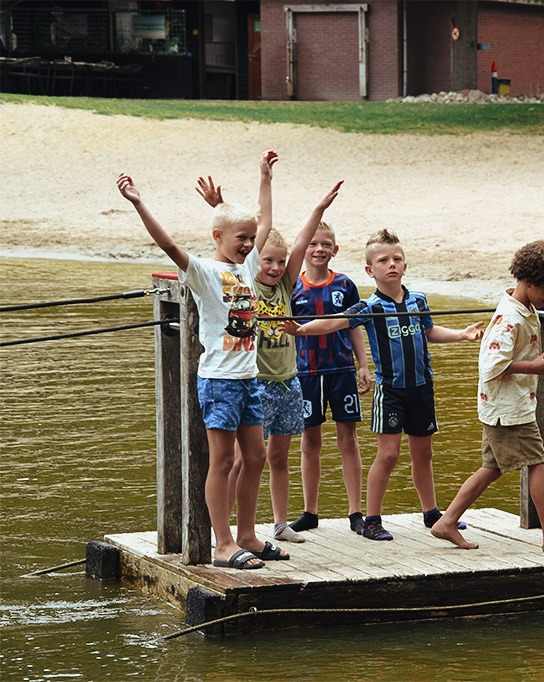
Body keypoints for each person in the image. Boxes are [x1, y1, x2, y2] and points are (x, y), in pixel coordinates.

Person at [116, 151, 288, 570]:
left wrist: (264, 176)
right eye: (240, 239)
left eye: (250, 240)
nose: (249, 245)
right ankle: (224, 543)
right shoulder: (205, 272)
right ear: (217, 237)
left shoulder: (246, 266)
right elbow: (169, 245)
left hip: (249, 377)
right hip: (219, 380)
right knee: (223, 460)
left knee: (256, 457)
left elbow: (263, 220)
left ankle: (247, 534)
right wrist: (139, 203)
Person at [281, 229, 484, 542]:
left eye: (397, 259)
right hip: (390, 391)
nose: (392, 264)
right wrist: (301, 329)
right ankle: (372, 518)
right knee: (388, 455)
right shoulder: (369, 306)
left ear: (405, 265)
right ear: (369, 270)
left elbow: (429, 331)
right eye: (383, 260)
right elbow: (335, 321)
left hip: (422, 387)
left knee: (423, 453)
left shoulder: (418, 300)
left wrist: (460, 334)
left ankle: (431, 512)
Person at [196, 174, 346, 544]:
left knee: (276, 457)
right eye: (269, 261)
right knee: (238, 460)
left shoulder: (284, 284)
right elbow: (252, 227)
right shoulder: (244, 277)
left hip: (287, 380)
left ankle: (279, 524)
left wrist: (319, 209)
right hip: (253, 381)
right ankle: (226, 532)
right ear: (255, 260)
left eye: (281, 263)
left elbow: (295, 243)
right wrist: (245, 189)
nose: (276, 267)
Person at [430, 240, 544, 554]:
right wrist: (532, 366)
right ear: (530, 283)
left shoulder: (521, 301)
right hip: (509, 407)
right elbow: (491, 366)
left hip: (502, 405)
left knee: (491, 468)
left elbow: (542, 269)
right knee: (537, 462)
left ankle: (447, 521)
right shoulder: (510, 319)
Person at [287, 221, 372, 537]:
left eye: (326, 244)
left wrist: (363, 365)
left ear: (334, 249)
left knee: (347, 438)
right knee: (310, 441)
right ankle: (310, 511)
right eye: (312, 244)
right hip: (306, 372)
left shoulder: (345, 285)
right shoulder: (293, 287)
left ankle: (355, 511)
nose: (319, 249)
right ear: (303, 248)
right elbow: (288, 332)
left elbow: (354, 326)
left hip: (341, 370)